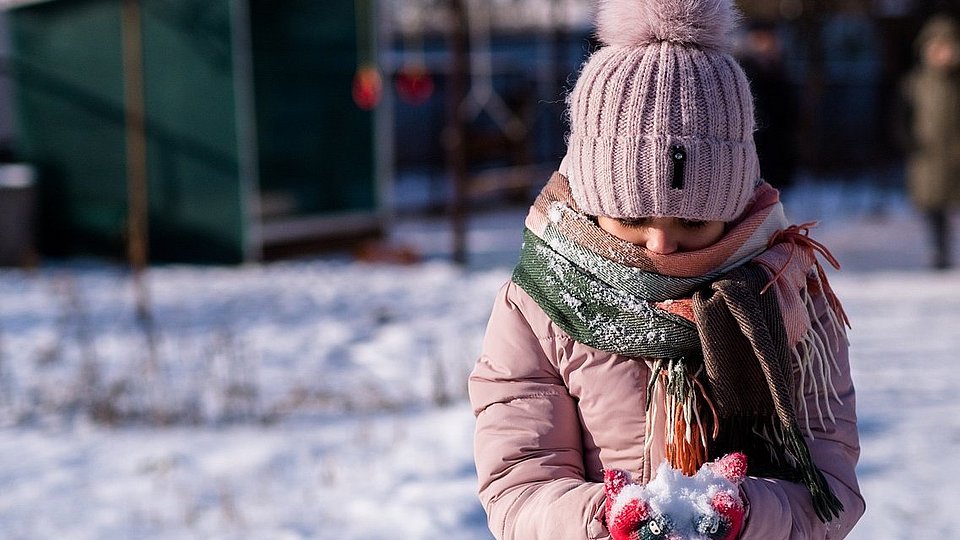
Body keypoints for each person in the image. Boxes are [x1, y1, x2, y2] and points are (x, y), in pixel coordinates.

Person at [468, 1, 865, 539]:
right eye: (631, 218)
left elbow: (829, 488)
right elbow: (519, 481)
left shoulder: (789, 292)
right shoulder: (538, 304)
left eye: (694, 222)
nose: (660, 244)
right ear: (589, 198)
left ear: (734, 203)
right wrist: (601, 522)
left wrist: (747, 514)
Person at [900, 14, 960, 270]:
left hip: (954, 155)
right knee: (932, 207)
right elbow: (900, 117)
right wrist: (909, 141)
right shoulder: (915, 83)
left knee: (949, 205)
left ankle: (945, 252)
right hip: (926, 158)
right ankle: (939, 252)